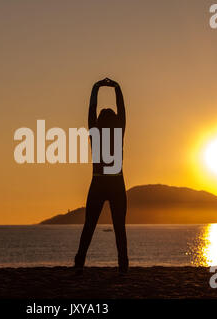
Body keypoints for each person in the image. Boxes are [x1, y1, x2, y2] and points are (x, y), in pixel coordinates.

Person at [74, 78, 128, 274]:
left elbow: (91, 110)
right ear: (114, 120)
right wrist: (117, 88)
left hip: (99, 181)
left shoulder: (95, 132)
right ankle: (123, 266)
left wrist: (95, 87)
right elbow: (121, 110)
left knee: (89, 226)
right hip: (115, 181)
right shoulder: (118, 130)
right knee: (119, 228)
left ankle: (79, 263)